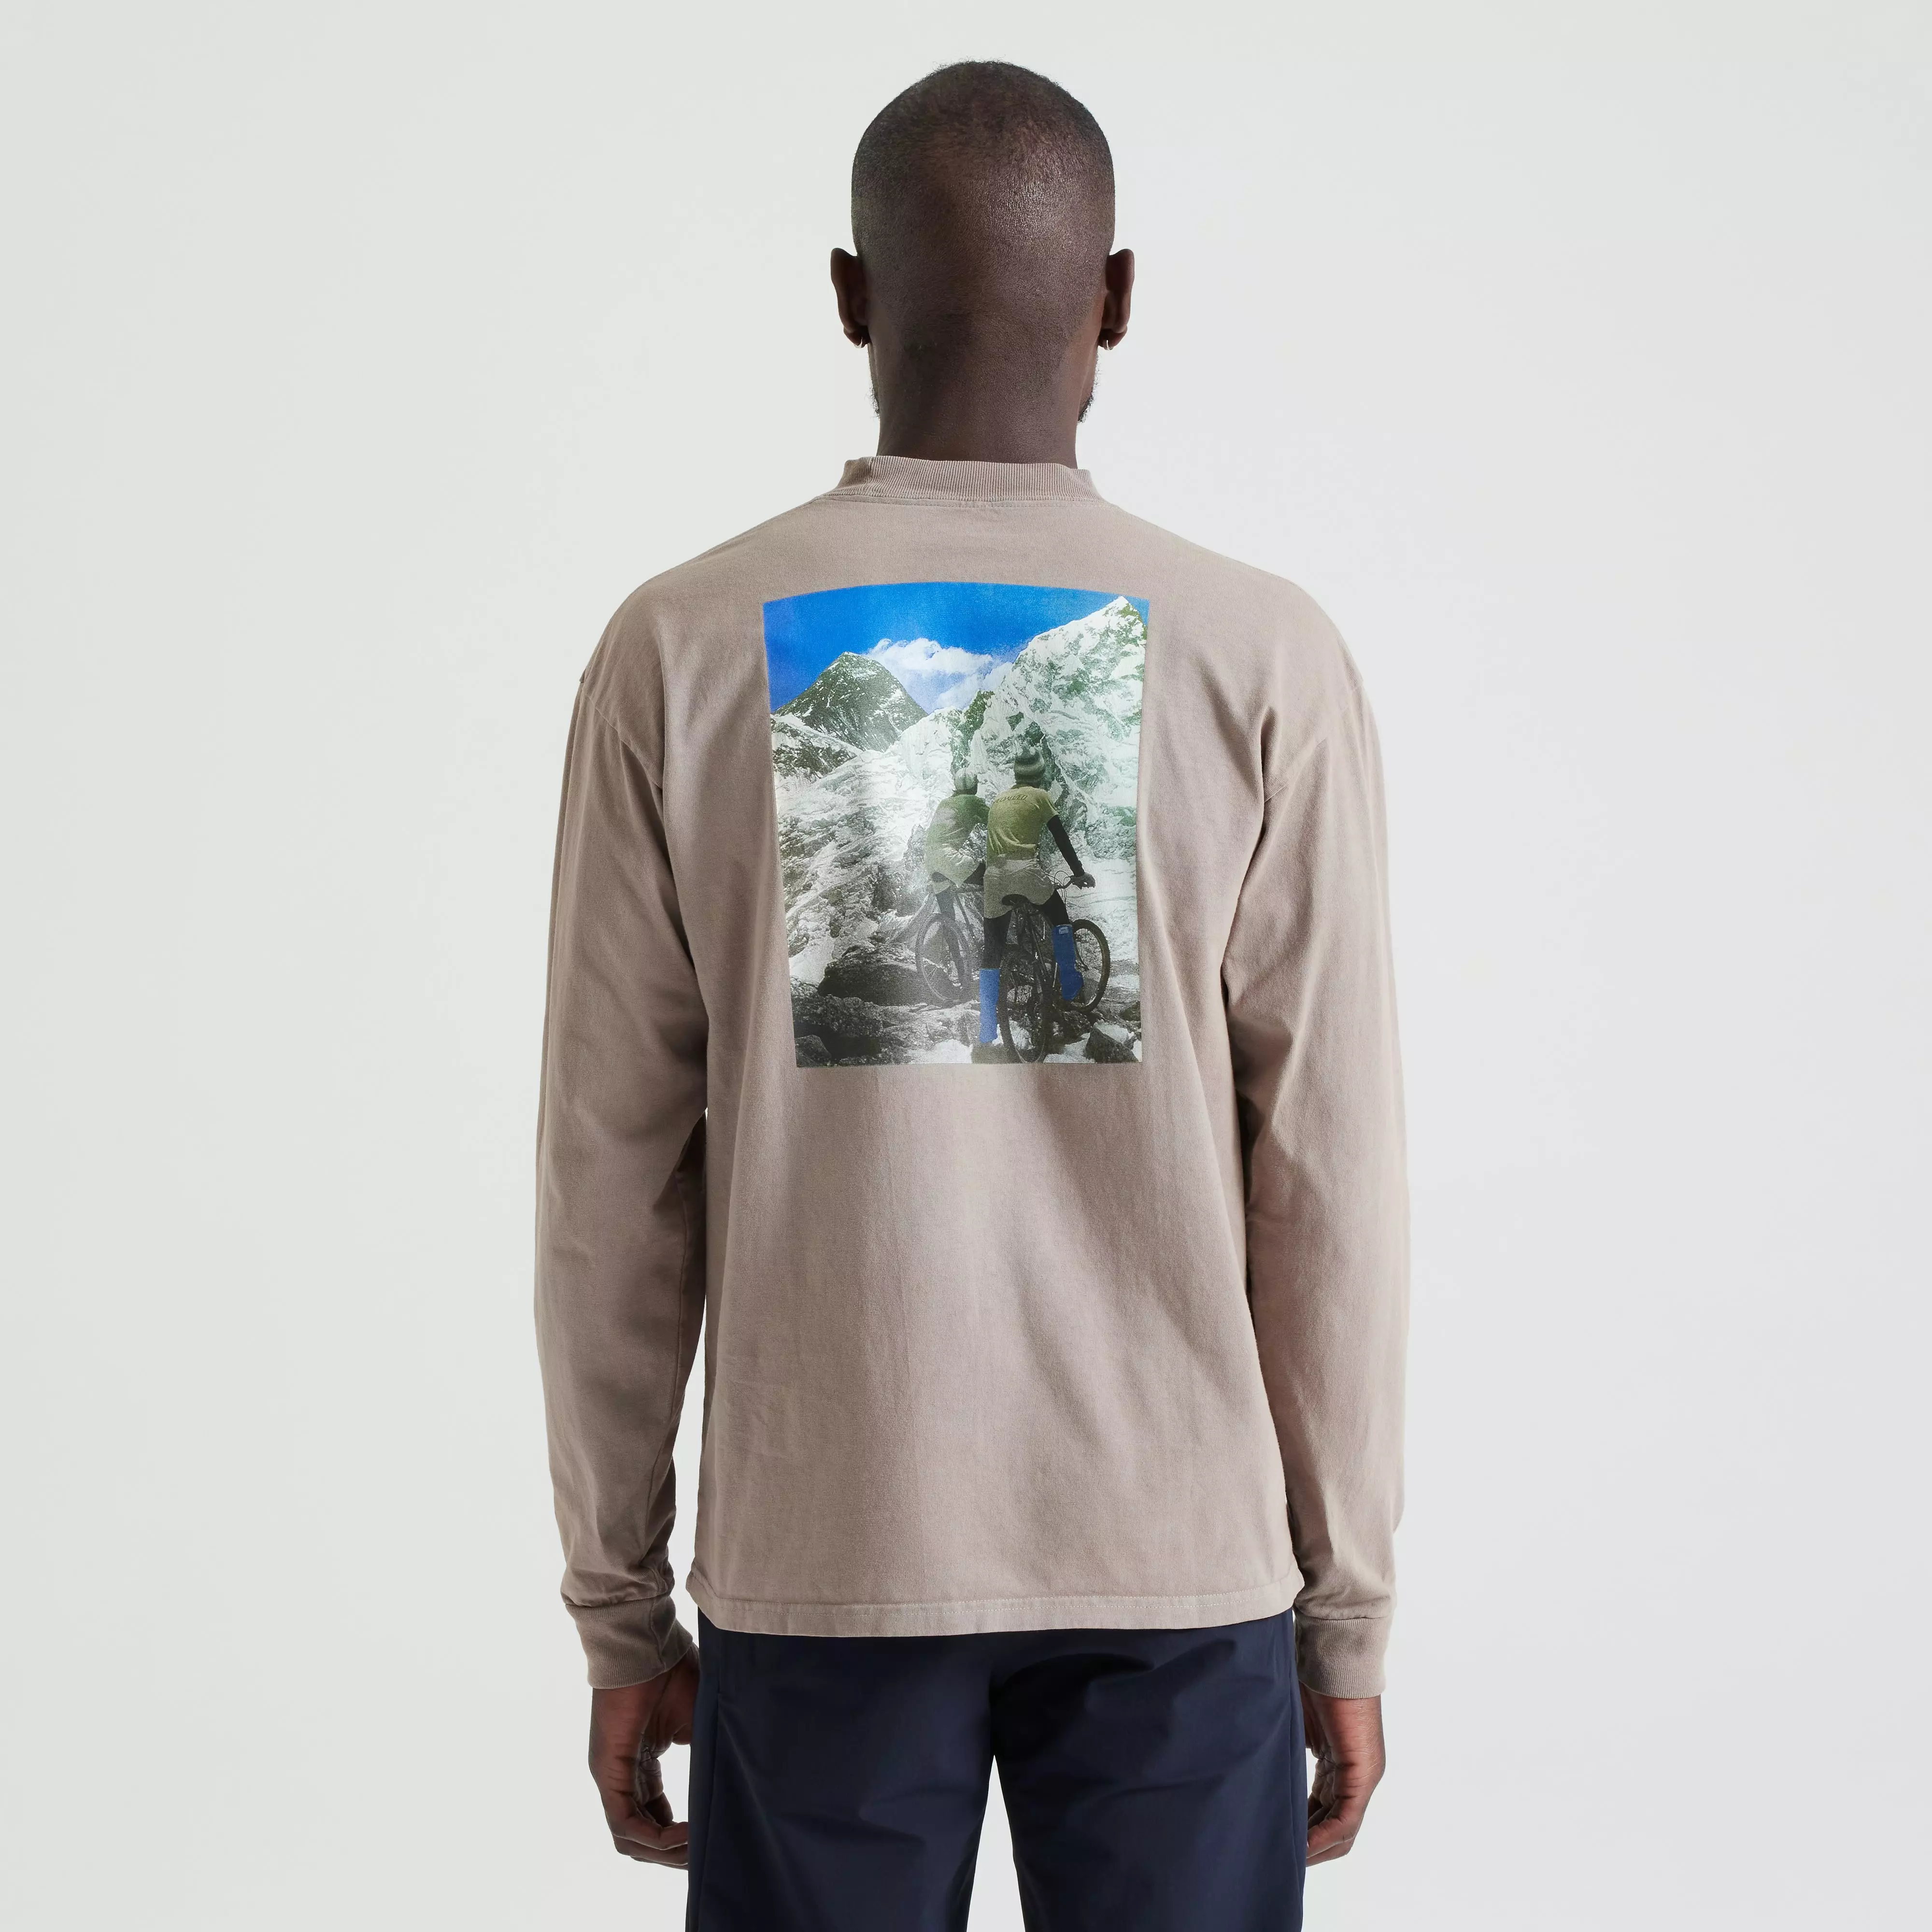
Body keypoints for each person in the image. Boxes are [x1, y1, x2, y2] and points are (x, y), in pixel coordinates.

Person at [536, 59, 1406, 1932]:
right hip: (1177, 1567)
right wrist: (1343, 1609)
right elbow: (1326, 1180)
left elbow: (608, 1181)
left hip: (825, 1554)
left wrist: (620, 1604)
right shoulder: (1262, 654)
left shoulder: (679, 646)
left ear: (851, 295)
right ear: (1116, 296)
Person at [974, 745, 1095, 1062]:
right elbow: (1060, 836)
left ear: (1016, 774)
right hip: (1025, 871)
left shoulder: (999, 799)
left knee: (992, 952)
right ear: (1039, 774)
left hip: (993, 877)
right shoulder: (1040, 796)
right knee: (1060, 918)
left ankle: (986, 1027)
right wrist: (1079, 873)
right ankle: (1070, 986)